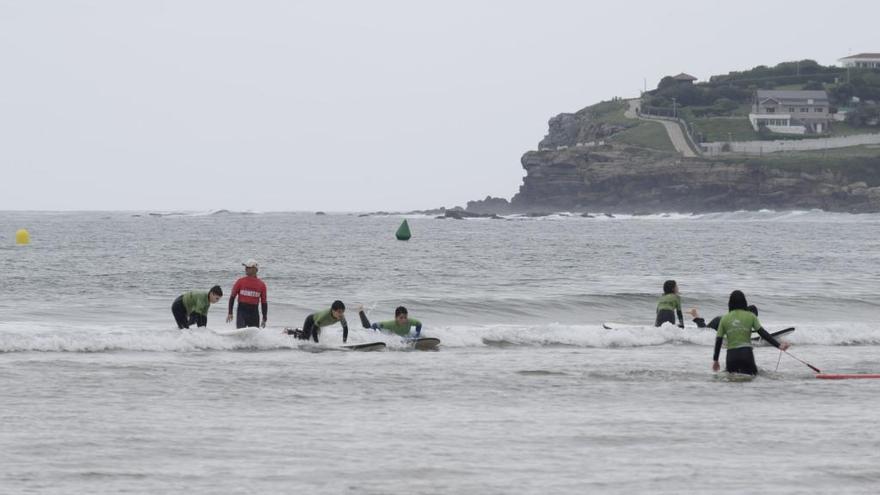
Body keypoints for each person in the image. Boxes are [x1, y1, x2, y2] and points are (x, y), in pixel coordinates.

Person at [712, 290, 790, 375]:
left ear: (730, 303)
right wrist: (779, 345)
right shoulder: (751, 316)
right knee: (752, 379)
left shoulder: (724, 318)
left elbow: (718, 340)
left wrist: (716, 360)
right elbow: (763, 333)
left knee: (732, 381)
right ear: (744, 302)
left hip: (731, 356)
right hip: (746, 354)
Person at [226, 259, 268, 329]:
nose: (246, 269)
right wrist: (230, 313)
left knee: (254, 336)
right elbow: (232, 297)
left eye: (248, 267)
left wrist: (264, 318)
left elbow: (264, 302)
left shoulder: (261, 285)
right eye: (246, 267)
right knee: (240, 333)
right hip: (242, 311)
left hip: (254, 312)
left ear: (255, 269)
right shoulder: (240, 281)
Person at [358, 305, 422, 338]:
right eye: (401, 318)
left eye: (405, 317)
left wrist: (417, 334)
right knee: (368, 328)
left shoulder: (410, 321)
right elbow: (375, 325)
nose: (404, 320)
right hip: (383, 331)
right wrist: (373, 335)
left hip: (400, 336)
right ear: (396, 318)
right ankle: (361, 311)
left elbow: (419, 324)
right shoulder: (391, 324)